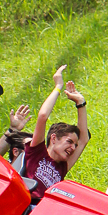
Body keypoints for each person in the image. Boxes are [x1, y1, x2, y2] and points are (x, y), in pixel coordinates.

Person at [24, 65, 89, 199]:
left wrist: (80, 103)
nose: (73, 148)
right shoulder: (37, 152)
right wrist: (58, 86)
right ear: (53, 138)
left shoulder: (62, 167)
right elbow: (42, 116)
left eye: (74, 145)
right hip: (27, 203)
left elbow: (83, 140)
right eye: (69, 142)